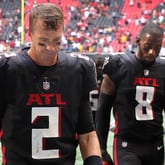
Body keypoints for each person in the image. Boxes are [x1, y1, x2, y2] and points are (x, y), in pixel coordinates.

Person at [0, 3, 102, 165]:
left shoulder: (77, 70)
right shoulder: (8, 70)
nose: (51, 49)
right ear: (30, 34)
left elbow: (87, 134)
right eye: (43, 42)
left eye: (57, 42)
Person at [96, 22, 165, 165]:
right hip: (127, 144)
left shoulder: (162, 69)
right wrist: (101, 148)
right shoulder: (119, 65)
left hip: (155, 143)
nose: (152, 52)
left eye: (157, 48)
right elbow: (103, 109)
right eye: (148, 47)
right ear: (138, 41)